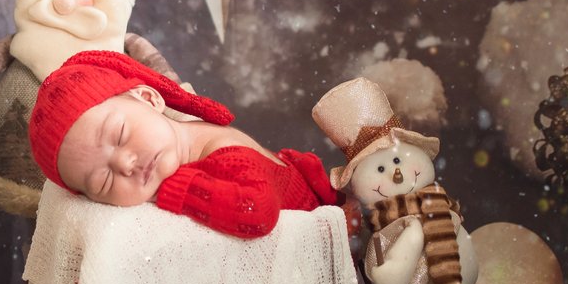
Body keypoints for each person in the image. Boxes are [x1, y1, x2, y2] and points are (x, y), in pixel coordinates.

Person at [28, 51, 339, 237]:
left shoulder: (224, 150)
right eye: (103, 181)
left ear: (149, 98)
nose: (124, 164)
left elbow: (257, 209)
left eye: (120, 135)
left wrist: (165, 191)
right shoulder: (178, 147)